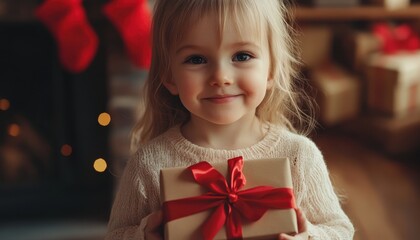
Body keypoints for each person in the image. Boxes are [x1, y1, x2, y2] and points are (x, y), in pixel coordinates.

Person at [105, 0, 355, 239]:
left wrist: (310, 236)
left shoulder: (299, 156)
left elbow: (340, 229)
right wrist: (143, 235)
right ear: (169, 76)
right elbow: (116, 235)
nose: (221, 76)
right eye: (196, 59)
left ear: (271, 69)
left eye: (242, 56)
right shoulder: (149, 164)